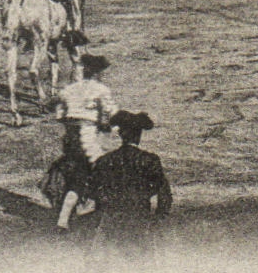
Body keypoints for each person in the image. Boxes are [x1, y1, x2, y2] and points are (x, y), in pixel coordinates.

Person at [45, 54, 116, 230]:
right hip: (88, 138)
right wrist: (105, 125)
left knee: (77, 178)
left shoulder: (70, 89)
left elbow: (57, 111)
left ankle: (62, 220)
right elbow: (109, 115)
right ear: (98, 73)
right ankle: (105, 215)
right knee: (105, 173)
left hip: (70, 140)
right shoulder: (100, 89)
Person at [89, 111, 172, 242]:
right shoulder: (150, 160)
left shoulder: (105, 160)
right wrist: (157, 218)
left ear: (121, 134)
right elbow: (164, 193)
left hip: (112, 222)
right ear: (138, 136)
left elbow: (93, 191)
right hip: (140, 220)